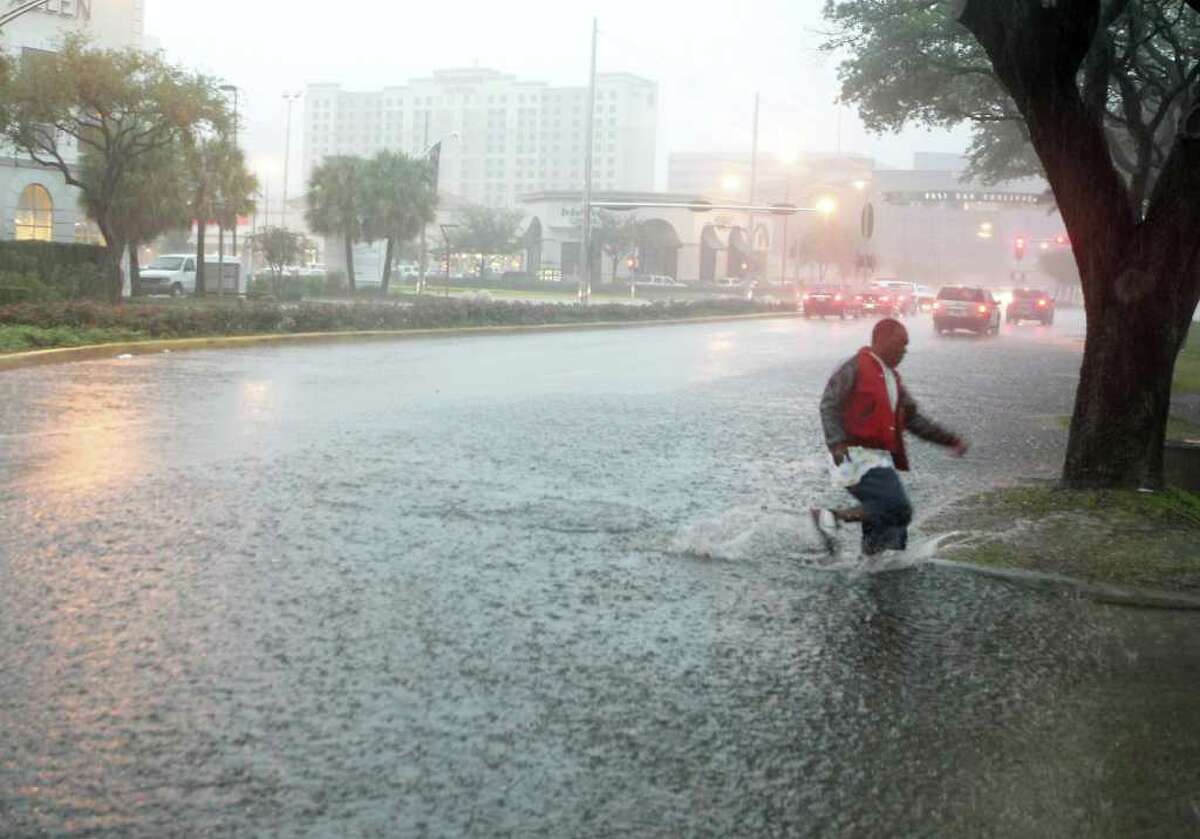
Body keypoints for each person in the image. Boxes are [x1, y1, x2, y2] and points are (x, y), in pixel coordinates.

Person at [811, 319, 968, 557]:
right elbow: (829, 405)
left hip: (877, 458)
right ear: (880, 341)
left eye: (906, 346)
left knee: (889, 526)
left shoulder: (892, 379)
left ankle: (875, 563)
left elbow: (913, 420)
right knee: (897, 507)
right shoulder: (854, 367)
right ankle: (831, 517)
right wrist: (836, 442)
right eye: (899, 345)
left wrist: (950, 440)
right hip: (853, 455)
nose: (904, 351)